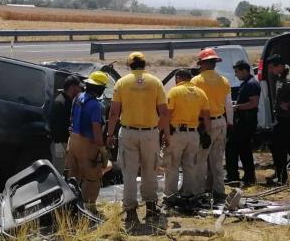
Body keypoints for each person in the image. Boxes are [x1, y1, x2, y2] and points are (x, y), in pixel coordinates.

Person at [107, 52, 169, 227]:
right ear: (144, 64)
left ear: (129, 65)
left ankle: (131, 213)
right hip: (150, 134)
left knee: (129, 173)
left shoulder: (121, 83)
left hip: (128, 133)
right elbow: (164, 112)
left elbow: (113, 113)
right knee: (150, 171)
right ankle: (150, 208)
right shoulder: (155, 82)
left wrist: (109, 134)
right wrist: (163, 133)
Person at [191, 48, 232, 203]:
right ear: (214, 63)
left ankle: (199, 192)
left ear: (202, 63)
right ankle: (219, 191)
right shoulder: (224, 80)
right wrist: (230, 124)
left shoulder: (196, 81)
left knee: (201, 159)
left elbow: (194, 105)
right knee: (217, 161)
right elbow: (228, 106)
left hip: (204, 125)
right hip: (221, 122)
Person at [164, 69, 211, 197]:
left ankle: (170, 196)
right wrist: (207, 133)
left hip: (177, 133)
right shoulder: (201, 93)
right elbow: (206, 116)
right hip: (193, 134)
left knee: (173, 165)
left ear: (178, 78)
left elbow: (167, 115)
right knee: (190, 165)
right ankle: (189, 194)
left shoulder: (174, 91)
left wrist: (166, 134)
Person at [67, 71, 110, 209]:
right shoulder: (96, 106)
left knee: (74, 177)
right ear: (100, 88)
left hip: (73, 141)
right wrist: (102, 150)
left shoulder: (77, 98)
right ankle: (88, 209)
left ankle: (70, 206)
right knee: (92, 179)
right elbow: (96, 130)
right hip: (88, 144)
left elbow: (72, 119)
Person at [265, 53, 290, 185]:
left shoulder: (288, 79)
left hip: (288, 118)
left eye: (271, 68)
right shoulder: (284, 73)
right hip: (284, 117)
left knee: (278, 146)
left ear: (279, 66)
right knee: (280, 144)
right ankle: (283, 172)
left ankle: (282, 176)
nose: (270, 71)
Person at [229, 60, 261, 185]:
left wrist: (237, 107)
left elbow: (254, 103)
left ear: (244, 70)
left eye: (237, 72)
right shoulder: (246, 83)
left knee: (243, 149)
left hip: (246, 123)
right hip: (244, 122)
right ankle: (247, 176)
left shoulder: (251, 84)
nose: (236, 75)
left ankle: (248, 176)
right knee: (242, 150)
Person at [50, 75, 82, 174]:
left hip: (65, 142)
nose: (80, 89)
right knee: (57, 171)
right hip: (59, 143)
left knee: (62, 169)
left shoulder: (68, 100)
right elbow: (54, 124)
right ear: (72, 87)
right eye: (78, 87)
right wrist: (57, 143)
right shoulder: (60, 102)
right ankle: (55, 189)